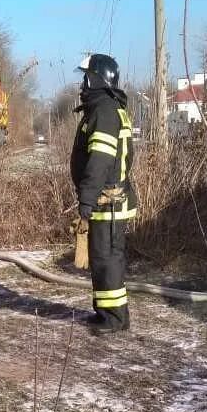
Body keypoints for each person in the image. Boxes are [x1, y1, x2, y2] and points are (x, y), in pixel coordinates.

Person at [71, 54, 137, 335]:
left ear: (96, 78)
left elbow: (100, 159)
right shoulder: (103, 109)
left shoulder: (105, 111)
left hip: (109, 201)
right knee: (101, 258)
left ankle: (115, 319)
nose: (82, 83)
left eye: (85, 76)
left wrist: (86, 199)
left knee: (108, 259)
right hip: (105, 200)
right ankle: (104, 313)